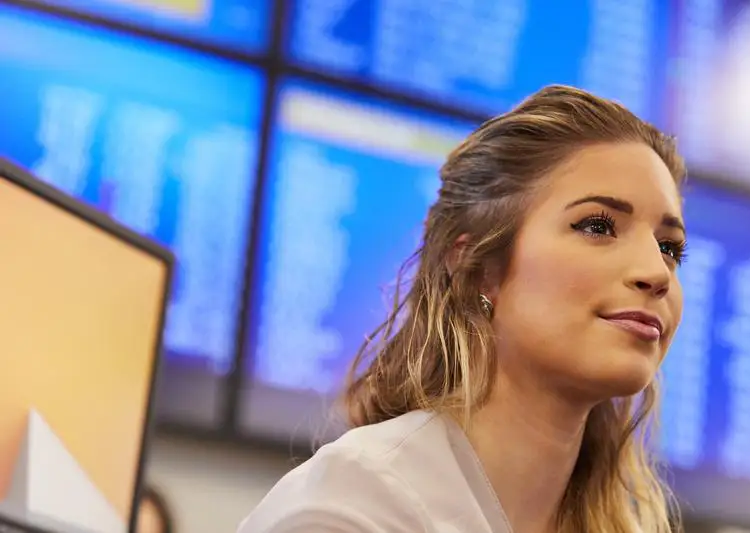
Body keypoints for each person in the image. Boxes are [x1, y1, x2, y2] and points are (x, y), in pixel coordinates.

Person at [239, 85, 687, 533]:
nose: (658, 272)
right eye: (598, 226)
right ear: (478, 266)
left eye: (669, 247)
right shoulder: (352, 507)